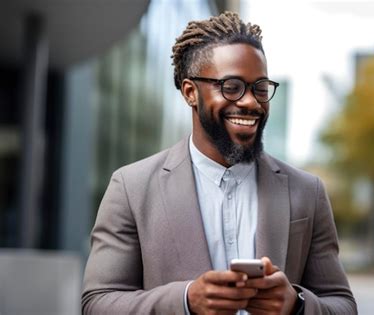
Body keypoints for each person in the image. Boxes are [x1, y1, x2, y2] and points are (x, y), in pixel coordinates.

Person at [82, 11, 357, 315]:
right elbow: (98, 303)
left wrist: (297, 305)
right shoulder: (131, 189)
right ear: (191, 93)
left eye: (260, 88)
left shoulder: (307, 191)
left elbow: (343, 305)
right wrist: (186, 301)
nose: (251, 102)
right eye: (232, 86)